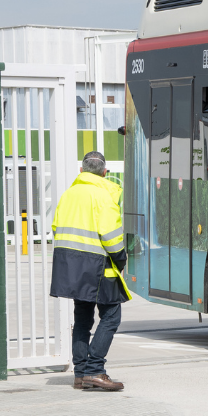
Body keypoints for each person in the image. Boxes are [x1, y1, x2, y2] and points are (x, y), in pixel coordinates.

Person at [50, 151, 132, 391]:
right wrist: (120, 259)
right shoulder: (104, 195)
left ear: (81, 171)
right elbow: (111, 236)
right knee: (111, 316)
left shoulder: (67, 196)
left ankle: (81, 373)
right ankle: (95, 369)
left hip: (72, 267)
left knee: (83, 319)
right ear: (104, 173)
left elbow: (56, 228)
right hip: (98, 266)